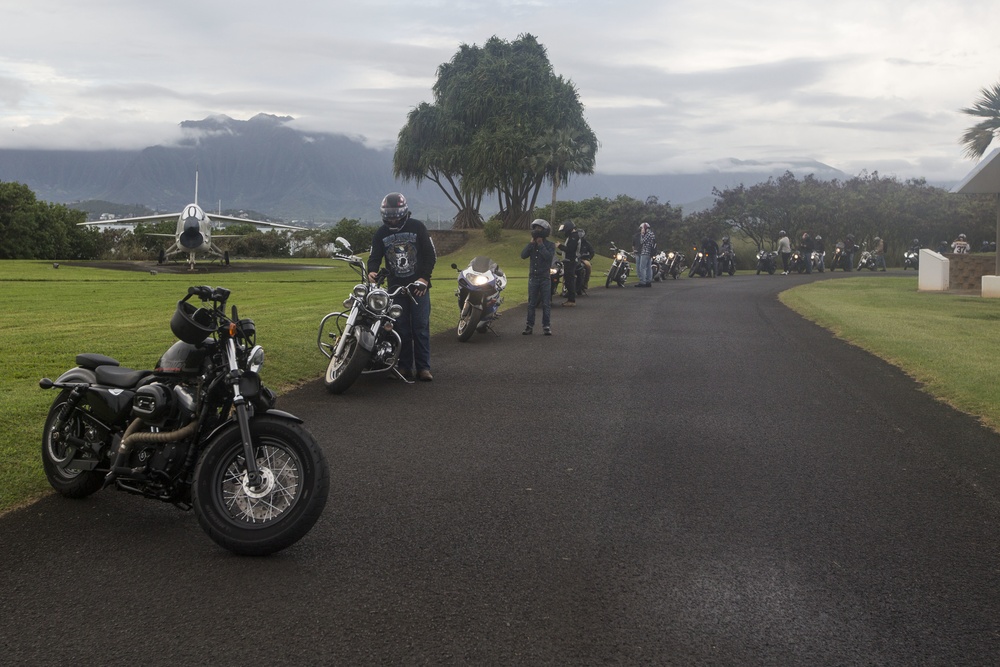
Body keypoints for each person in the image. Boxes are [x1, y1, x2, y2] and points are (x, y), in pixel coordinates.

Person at [367, 192, 437, 382]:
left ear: (404, 211)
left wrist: (424, 278)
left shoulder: (418, 227)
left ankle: (423, 368)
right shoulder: (381, 233)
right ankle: (404, 366)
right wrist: (372, 271)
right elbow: (374, 257)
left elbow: (431, 256)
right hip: (396, 288)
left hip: (418, 287)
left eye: (397, 213)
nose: (393, 217)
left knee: (420, 327)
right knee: (401, 328)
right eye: (389, 214)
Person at [521, 219, 555, 335]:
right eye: (535, 228)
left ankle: (546, 326)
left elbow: (548, 258)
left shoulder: (550, 245)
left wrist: (540, 245)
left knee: (546, 303)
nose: (536, 231)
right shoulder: (532, 245)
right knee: (531, 303)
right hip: (533, 278)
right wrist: (531, 244)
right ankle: (529, 326)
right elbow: (523, 255)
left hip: (545, 278)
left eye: (539, 229)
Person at [556, 221, 579, 306]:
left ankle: (571, 300)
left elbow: (570, 249)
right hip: (568, 261)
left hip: (571, 261)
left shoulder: (574, 237)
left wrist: (559, 246)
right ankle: (570, 298)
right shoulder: (573, 236)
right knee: (568, 280)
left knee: (569, 280)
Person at [635, 223, 656, 287]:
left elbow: (642, 241)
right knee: (649, 267)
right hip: (649, 253)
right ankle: (648, 281)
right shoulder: (652, 234)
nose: (641, 229)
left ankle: (643, 282)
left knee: (642, 267)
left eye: (642, 228)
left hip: (645, 252)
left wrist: (642, 234)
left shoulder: (648, 234)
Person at [577, 229, 594, 293]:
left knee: (588, 265)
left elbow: (592, 252)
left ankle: (585, 282)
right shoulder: (573, 241)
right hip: (574, 259)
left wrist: (589, 258)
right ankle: (564, 287)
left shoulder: (586, 243)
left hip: (583, 259)